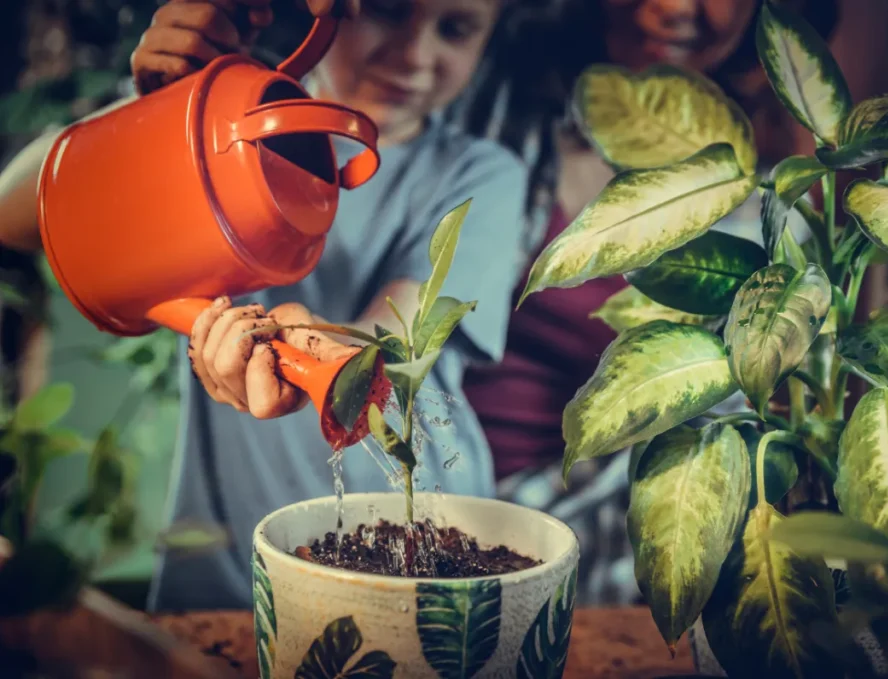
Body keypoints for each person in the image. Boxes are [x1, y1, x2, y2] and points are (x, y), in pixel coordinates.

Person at [0, 0, 529, 612]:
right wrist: (169, 111)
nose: (414, 53)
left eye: (455, 28)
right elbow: (16, 213)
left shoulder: (479, 174)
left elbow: (398, 341)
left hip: (419, 540)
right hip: (227, 560)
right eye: (387, 10)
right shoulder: (219, 126)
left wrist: (321, 355)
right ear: (330, 11)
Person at [458, 0, 888, 605]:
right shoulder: (491, 96)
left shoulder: (767, 210)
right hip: (457, 501)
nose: (670, 9)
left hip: (620, 527)